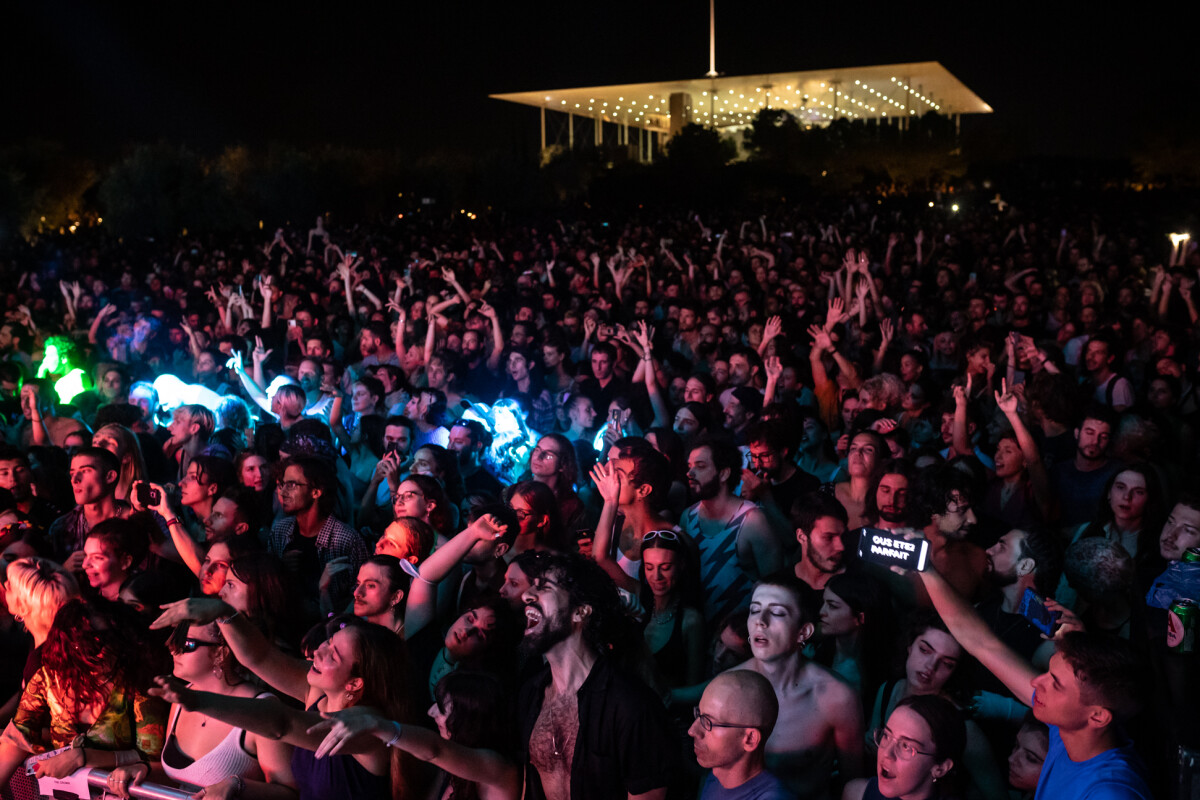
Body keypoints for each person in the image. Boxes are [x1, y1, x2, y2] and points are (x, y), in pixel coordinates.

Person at [912, 553, 1152, 799]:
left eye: (1056, 684)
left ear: (1098, 716)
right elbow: (982, 643)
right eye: (1049, 673)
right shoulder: (1068, 730)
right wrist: (925, 567)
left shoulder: (1110, 792)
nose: (1037, 681)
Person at [149, 606, 414, 800]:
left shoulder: (368, 728)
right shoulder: (319, 694)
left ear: (355, 684)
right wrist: (221, 611)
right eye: (329, 641)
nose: (318, 651)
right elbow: (260, 656)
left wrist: (198, 700)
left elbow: (282, 724)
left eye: (333, 654)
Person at [517, 552, 677, 800]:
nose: (526, 595)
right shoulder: (531, 694)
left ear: (580, 612)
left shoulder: (632, 707)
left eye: (543, 588)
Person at [105, 621, 298, 800]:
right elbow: (182, 778)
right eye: (174, 641)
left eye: (187, 644)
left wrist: (237, 785)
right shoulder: (182, 698)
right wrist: (143, 769)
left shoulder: (260, 709)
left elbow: (289, 793)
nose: (173, 650)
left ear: (221, 653)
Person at [0, 598, 170, 785]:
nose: (103, 652)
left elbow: (152, 760)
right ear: (70, 647)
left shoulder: (138, 681)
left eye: (109, 639)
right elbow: (18, 737)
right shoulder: (49, 678)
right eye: (91, 645)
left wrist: (82, 757)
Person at [732, 575, 864, 799]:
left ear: (804, 632)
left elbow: (853, 784)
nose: (760, 621)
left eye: (777, 613)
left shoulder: (836, 697)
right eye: (754, 610)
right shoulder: (729, 688)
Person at [308, 670, 521, 800]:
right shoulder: (450, 772)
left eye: (441, 708)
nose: (431, 712)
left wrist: (376, 724)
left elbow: (435, 750)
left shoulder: (498, 770)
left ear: (470, 721)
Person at [681, 437, 783, 623]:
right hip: (702, 633)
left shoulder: (752, 520)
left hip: (742, 635)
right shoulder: (687, 517)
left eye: (700, 466)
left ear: (724, 474)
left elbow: (775, 587)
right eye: (689, 466)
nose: (690, 473)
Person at [267, 455, 367, 614]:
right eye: (282, 484)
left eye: (291, 485)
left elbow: (360, 597)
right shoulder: (280, 531)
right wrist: (281, 568)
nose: (283, 492)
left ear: (316, 492)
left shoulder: (346, 539)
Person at [689, 670, 790, 800]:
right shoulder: (715, 775)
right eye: (699, 714)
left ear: (750, 739)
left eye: (708, 722)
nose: (692, 731)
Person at [842, 695, 965, 800]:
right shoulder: (857, 794)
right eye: (886, 735)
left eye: (906, 746)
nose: (887, 753)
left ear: (941, 768)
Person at [792, 491, 850, 604]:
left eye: (843, 536)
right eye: (828, 537)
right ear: (802, 537)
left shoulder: (855, 585)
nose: (841, 547)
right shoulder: (783, 586)